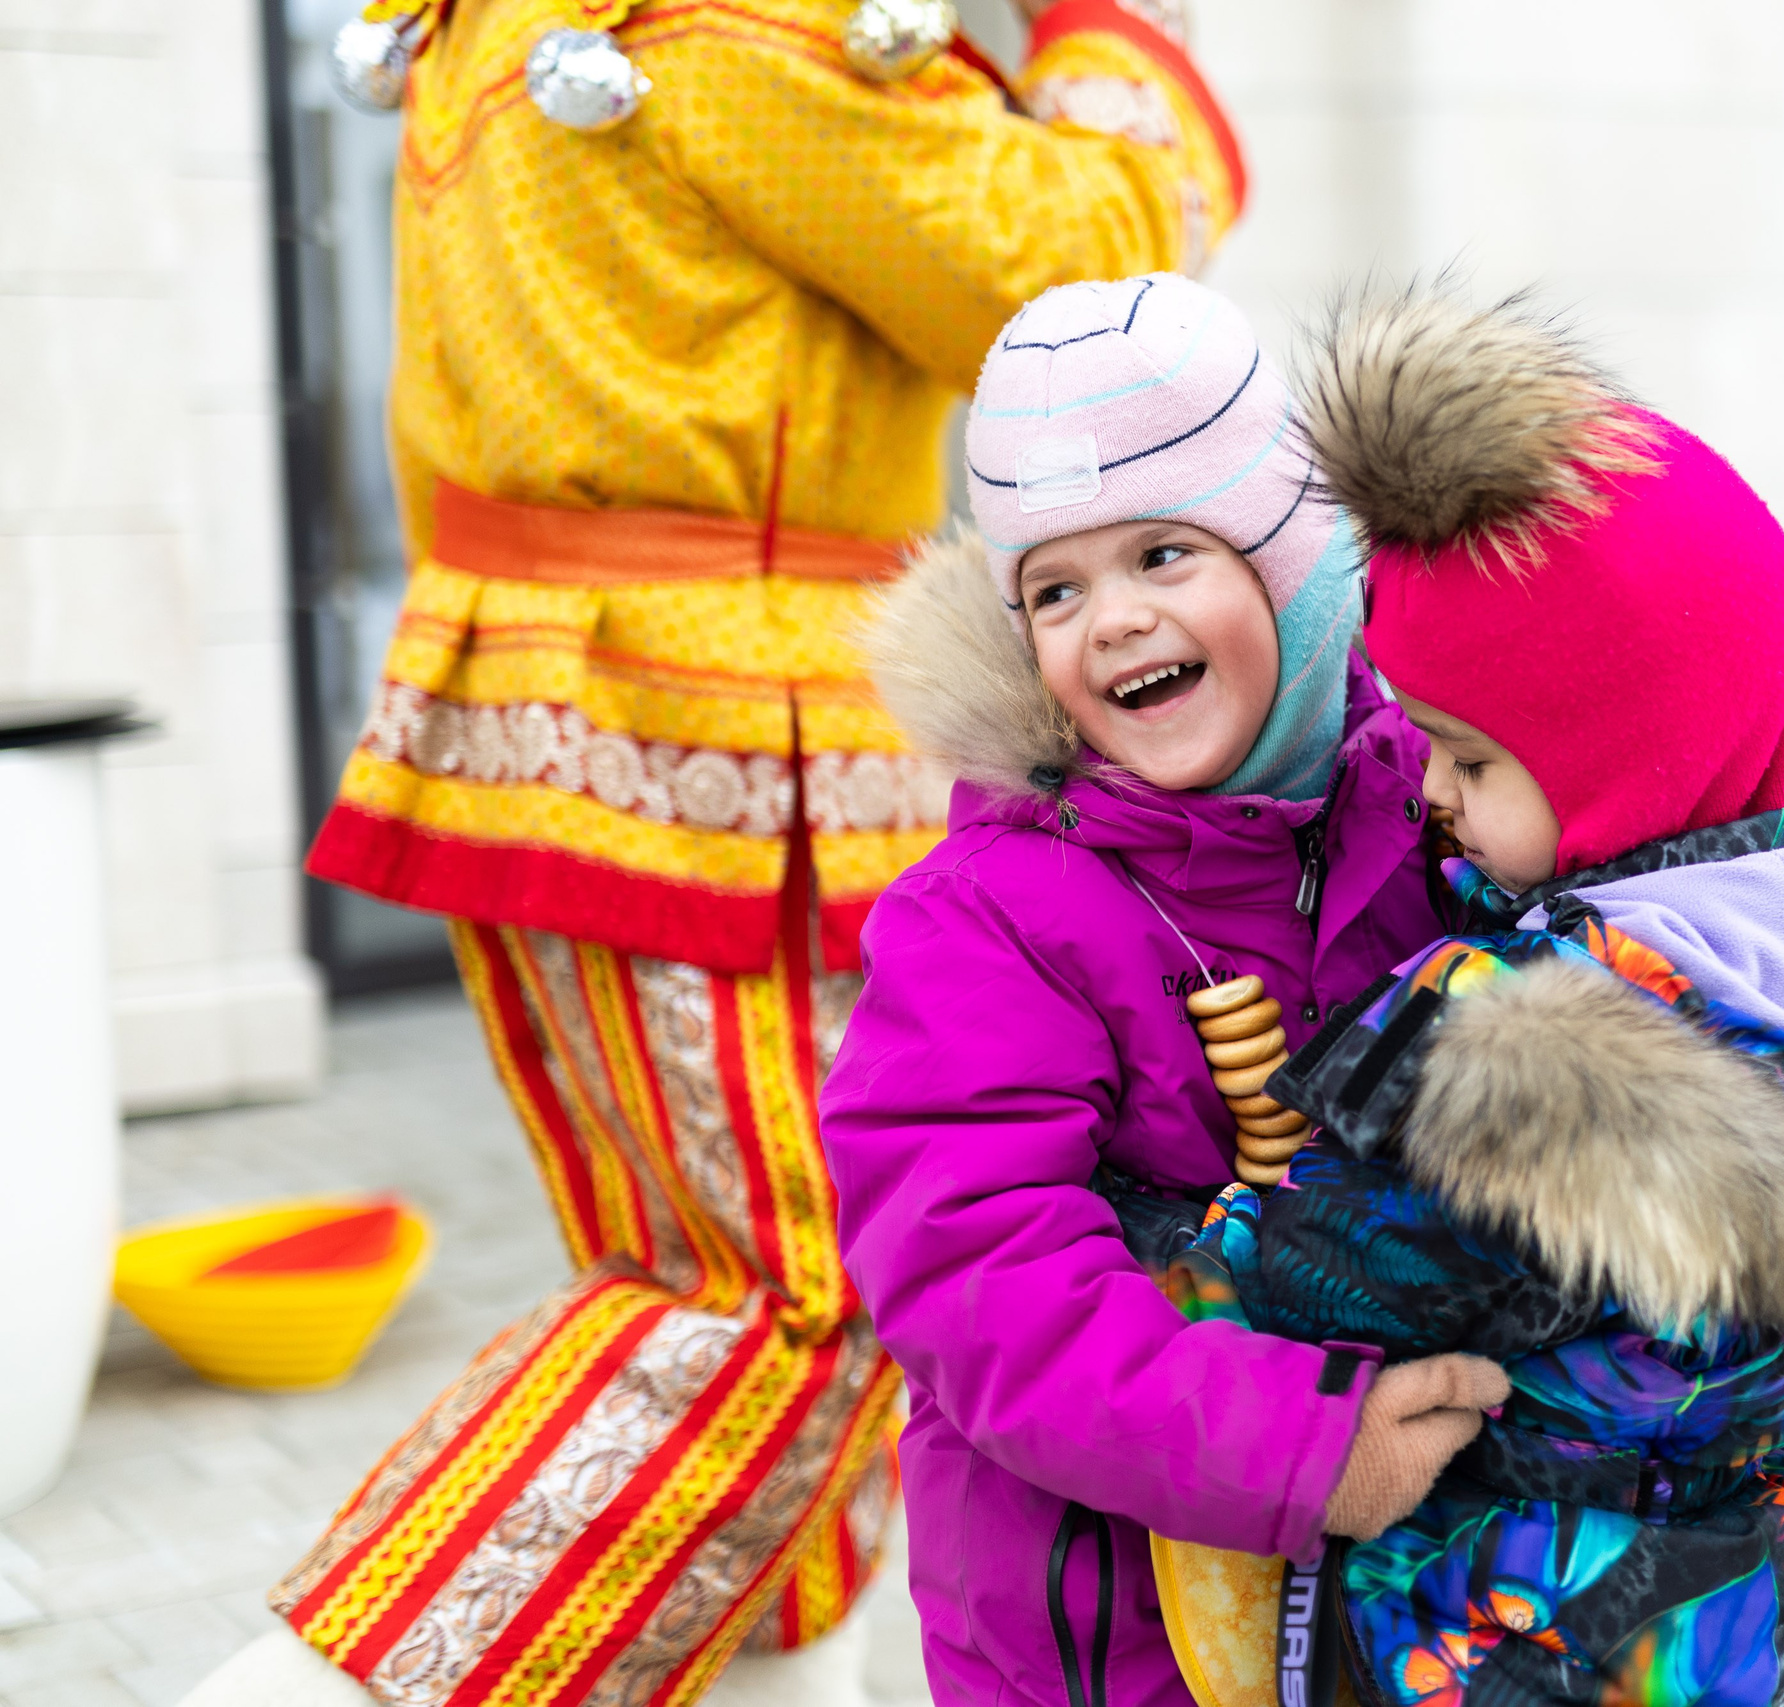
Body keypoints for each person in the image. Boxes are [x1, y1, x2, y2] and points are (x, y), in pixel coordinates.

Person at [191, 5, 1255, 1705]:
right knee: (815, 1293)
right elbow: (1086, 288)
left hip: (559, 710)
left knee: (698, 1285)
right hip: (723, 732)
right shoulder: (727, 30)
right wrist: (1096, 32)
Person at [1138, 286, 1784, 1704]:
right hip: (1728, 1599)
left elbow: (1289, 1283)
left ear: (1614, 767)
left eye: (1464, 755)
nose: (1425, 785)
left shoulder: (1522, 1065)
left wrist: (1156, 1220)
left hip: (1495, 1621)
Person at [819, 273, 1513, 1705]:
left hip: (1423, 1598)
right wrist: (1308, 1446)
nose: (1113, 620)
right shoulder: (990, 916)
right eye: (1055, 589)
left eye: (1163, 553)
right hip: (1099, 1630)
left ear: (1299, 565)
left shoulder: (1445, 811)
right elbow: (978, 1275)